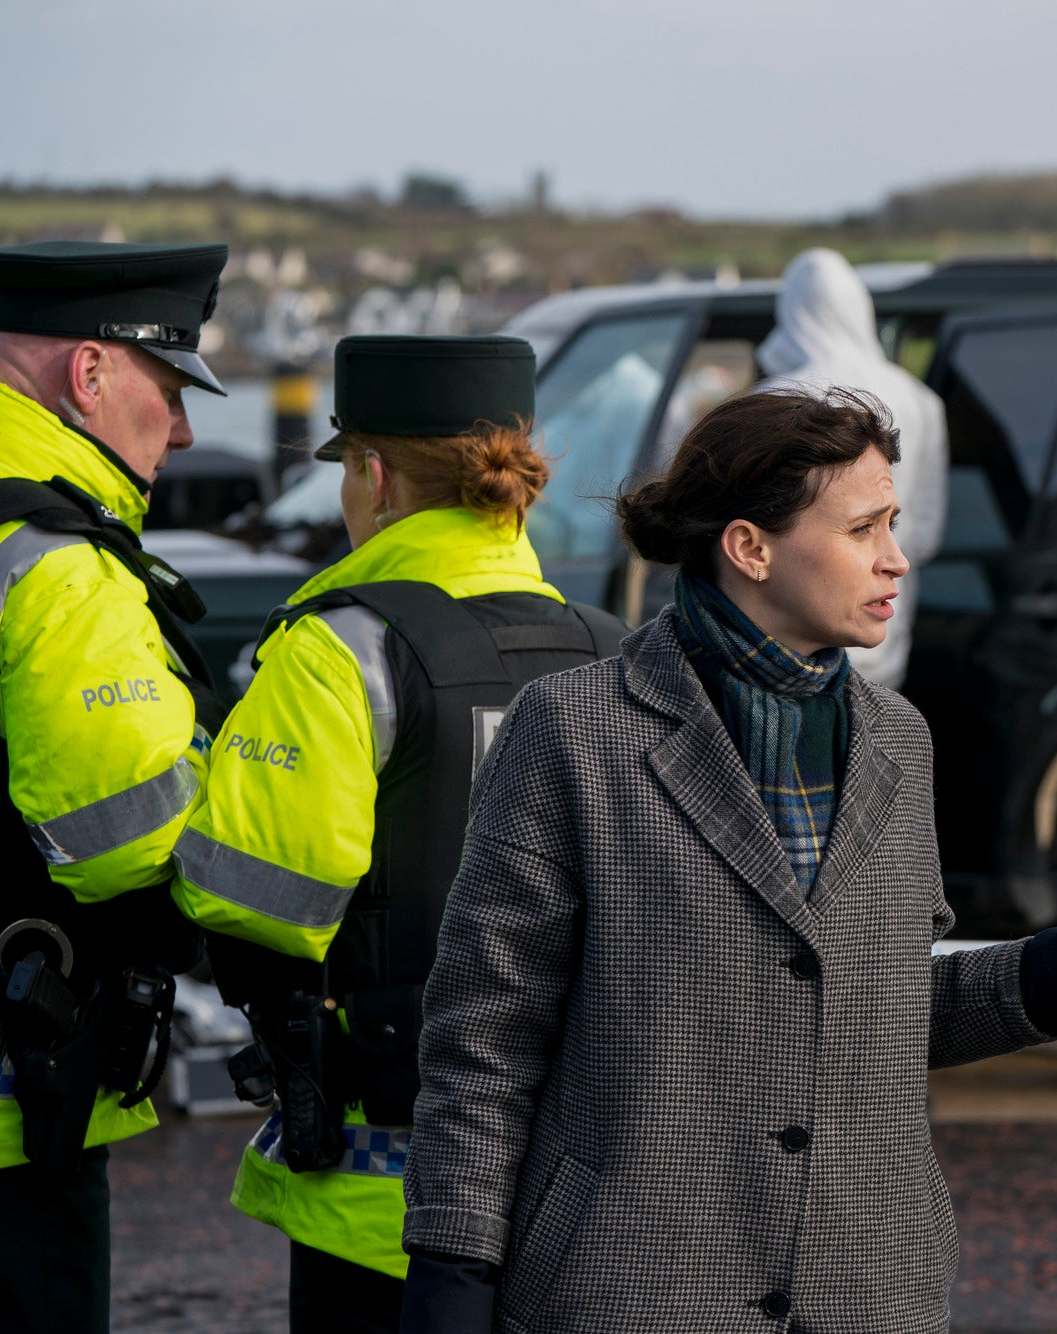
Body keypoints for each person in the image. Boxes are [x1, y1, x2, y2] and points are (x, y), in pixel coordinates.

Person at [399, 387, 1057, 1332]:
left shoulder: (896, 741)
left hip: (867, 1294)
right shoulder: (574, 730)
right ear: (750, 548)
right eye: (864, 526)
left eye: (895, 524)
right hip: (632, 1291)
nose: (897, 558)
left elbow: (868, 1017)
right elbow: (484, 1039)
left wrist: (1055, 970)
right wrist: (452, 1282)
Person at [170, 335, 628, 1333]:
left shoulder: (339, 646)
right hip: (588, 1185)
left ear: (372, 476)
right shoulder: (616, 652)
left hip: (391, 1193)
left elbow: (252, 897)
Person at [0, 240, 229, 1333]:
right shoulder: (50, 559)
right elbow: (132, 838)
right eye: (170, 388)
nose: (181, 429)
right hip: (11, 1109)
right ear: (91, 374)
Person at [755, 247, 947, 689]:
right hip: (886, 628)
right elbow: (929, 530)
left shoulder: (778, 399)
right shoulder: (920, 400)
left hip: (791, 636)